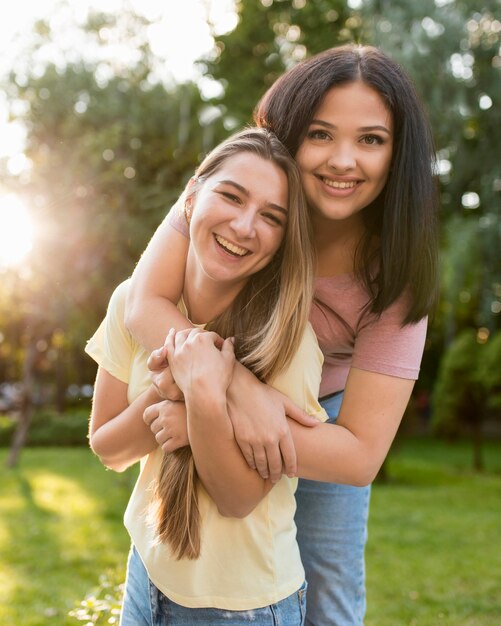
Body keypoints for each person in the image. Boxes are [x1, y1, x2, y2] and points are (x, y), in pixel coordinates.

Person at [125, 44, 439, 625]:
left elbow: (360, 455)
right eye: (321, 134)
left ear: (398, 153)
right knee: (179, 545)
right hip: (219, 372)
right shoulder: (237, 188)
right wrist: (234, 392)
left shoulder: (395, 269)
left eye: (371, 139)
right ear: (289, 133)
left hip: (325, 416)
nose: (344, 160)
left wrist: (234, 407)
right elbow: (146, 302)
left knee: (329, 589)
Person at [86, 127, 325, 625]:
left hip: (243, 606)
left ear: (282, 241)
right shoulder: (132, 302)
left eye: (271, 217)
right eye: (231, 196)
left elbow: (239, 499)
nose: (243, 226)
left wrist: (202, 404)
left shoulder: (289, 341)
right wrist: (166, 386)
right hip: (146, 577)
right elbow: (108, 448)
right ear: (190, 199)